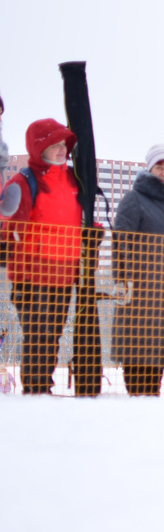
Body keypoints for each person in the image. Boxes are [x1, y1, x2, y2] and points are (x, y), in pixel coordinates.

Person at [0, 119, 83, 394]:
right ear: (39, 148)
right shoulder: (23, 182)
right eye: (54, 144)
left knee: (53, 335)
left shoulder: (73, 179)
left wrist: (92, 230)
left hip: (65, 274)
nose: (62, 150)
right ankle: (36, 390)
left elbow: (77, 219)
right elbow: (7, 224)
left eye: (63, 144)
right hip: (31, 276)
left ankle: (42, 387)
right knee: (38, 336)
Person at [110, 144, 164, 396]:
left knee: (158, 353)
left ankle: (151, 400)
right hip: (139, 291)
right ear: (149, 169)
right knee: (137, 351)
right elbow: (121, 240)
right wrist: (123, 279)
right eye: (159, 167)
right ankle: (138, 399)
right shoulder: (135, 199)